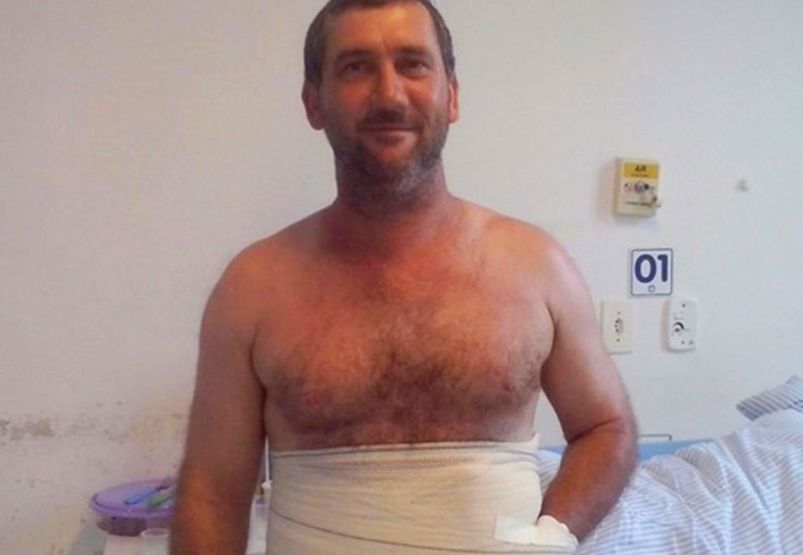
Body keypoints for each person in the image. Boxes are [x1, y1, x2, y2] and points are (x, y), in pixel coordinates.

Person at [170, 0, 637, 553]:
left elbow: (607, 428)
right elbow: (212, 495)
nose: (389, 94)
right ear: (314, 102)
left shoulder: (536, 267)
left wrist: (551, 535)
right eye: (356, 67)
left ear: (452, 95)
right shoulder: (252, 289)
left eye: (413, 64)